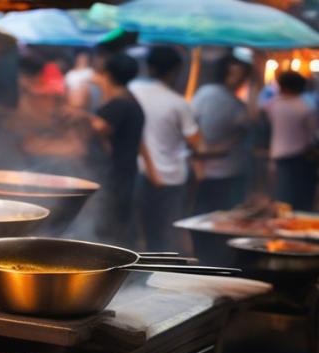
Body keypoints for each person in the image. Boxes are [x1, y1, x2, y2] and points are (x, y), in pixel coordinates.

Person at [129, 46, 201, 251]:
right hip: (170, 177)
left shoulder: (133, 90)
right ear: (175, 70)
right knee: (162, 236)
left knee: (136, 234)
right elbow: (196, 142)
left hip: (137, 171)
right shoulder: (178, 102)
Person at [89, 53, 145, 247]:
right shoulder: (130, 99)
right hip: (124, 171)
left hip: (116, 174)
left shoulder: (120, 103)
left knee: (110, 225)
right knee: (117, 222)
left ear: (107, 73)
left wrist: (80, 116)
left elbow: (100, 128)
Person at [192, 56, 252, 213]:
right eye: (233, 73)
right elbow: (192, 124)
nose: (237, 78)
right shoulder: (208, 93)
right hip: (212, 170)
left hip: (227, 170)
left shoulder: (238, 105)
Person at [263, 70, 318, 211]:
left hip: (277, 157)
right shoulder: (305, 108)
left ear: (282, 86)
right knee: (300, 200)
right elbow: (314, 135)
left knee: (281, 199)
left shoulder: (271, 105)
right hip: (300, 158)